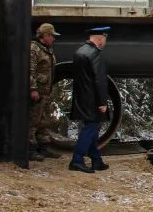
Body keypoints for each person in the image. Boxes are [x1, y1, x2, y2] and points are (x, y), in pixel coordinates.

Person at [69, 26, 111, 173]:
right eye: (105, 39)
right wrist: (102, 102)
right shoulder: (95, 54)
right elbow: (99, 80)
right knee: (90, 128)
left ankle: (96, 160)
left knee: (92, 128)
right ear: (100, 39)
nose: (105, 42)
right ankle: (77, 160)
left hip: (82, 97)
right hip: (93, 99)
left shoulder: (80, 51)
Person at [29, 23, 62, 161]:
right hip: (38, 91)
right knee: (33, 120)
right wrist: (33, 89)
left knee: (44, 120)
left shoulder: (47, 50)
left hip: (45, 91)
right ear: (45, 35)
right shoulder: (34, 49)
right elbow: (30, 70)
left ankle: (43, 147)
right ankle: (30, 149)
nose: (53, 39)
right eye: (52, 36)